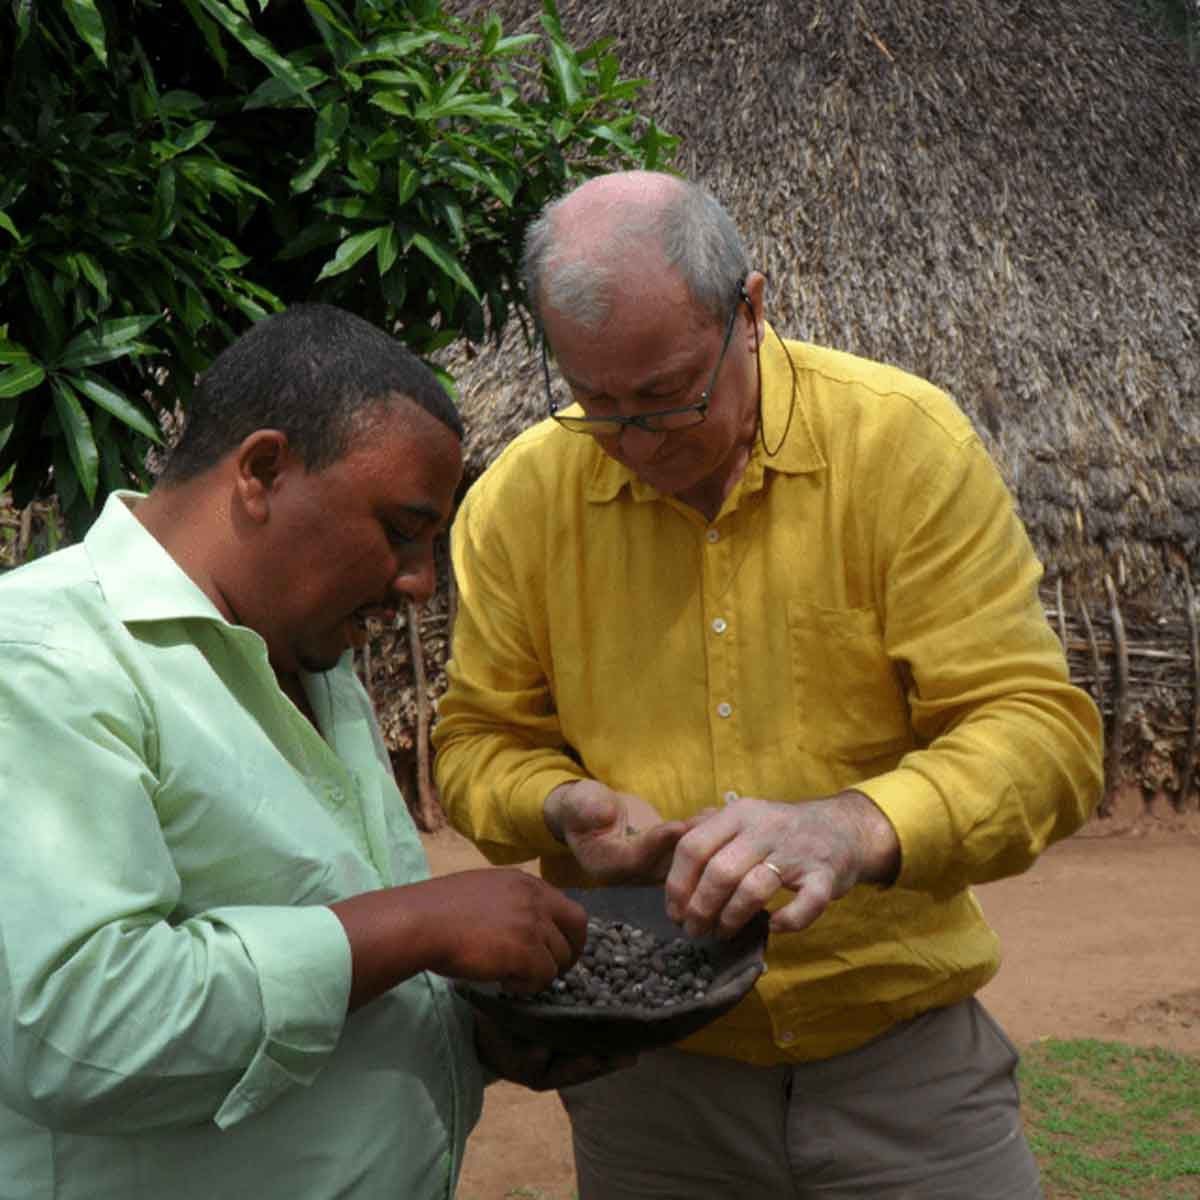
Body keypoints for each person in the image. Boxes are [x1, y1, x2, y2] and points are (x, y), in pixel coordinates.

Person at [432, 171, 1105, 1199]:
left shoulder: (901, 447)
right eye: (595, 403)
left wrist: (854, 826)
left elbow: (1041, 737)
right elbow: (476, 742)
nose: (635, 441)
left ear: (749, 309)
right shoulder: (523, 502)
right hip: (648, 1077)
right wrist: (559, 806)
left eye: (666, 396)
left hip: (902, 1062)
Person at [0, 303, 608, 1200]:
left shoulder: (311, 657)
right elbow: (76, 1031)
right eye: (401, 530)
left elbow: (330, 948)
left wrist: (475, 1037)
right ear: (262, 470)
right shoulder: (45, 661)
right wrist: (419, 924)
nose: (418, 583)